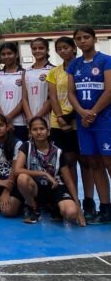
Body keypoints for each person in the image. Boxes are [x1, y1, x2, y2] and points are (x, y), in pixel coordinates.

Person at [48, 36, 96, 220]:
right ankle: (73, 200)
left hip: (81, 122)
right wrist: (61, 119)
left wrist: (74, 116)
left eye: (66, 47)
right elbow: (53, 97)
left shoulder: (82, 67)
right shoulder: (54, 72)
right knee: (68, 164)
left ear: (73, 48)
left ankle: (89, 201)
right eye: (59, 48)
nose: (63, 51)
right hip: (59, 124)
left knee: (86, 162)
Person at [66, 25, 111, 223]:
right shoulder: (74, 65)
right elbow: (71, 92)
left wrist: (93, 112)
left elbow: (109, 91)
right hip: (84, 122)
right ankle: (105, 207)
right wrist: (82, 112)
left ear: (94, 38)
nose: (82, 41)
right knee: (93, 163)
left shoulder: (106, 61)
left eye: (86, 37)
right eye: (79, 38)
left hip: (104, 120)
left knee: (109, 161)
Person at [14, 116, 83, 225]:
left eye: (42, 129)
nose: (39, 132)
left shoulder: (58, 151)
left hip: (55, 187)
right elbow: (17, 170)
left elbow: (69, 181)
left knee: (71, 213)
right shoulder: (26, 146)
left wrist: (78, 207)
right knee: (22, 178)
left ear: (48, 131)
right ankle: (33, 207)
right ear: (30, 132)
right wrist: (43, 173)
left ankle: (55, 207)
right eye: (35, 129)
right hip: (36, 187)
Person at [0, 43, 27, 141]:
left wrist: (9, 117)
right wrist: (4, 120)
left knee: (20, 149)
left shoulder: (24, 73)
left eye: (9, 53)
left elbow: (24, 99)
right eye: (3, 54)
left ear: (16, 54)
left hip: (20, 122)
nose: (6, 56)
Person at [22, 38, 53, 122]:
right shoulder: (26, 71)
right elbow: (24, 98)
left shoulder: (53, 70)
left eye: (41, 48)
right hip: (30, 118)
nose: (37, 51)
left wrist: (37, 117)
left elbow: (52, 97)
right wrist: (30, 117)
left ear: (47, 50)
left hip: (48, 118)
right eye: (34, 48)